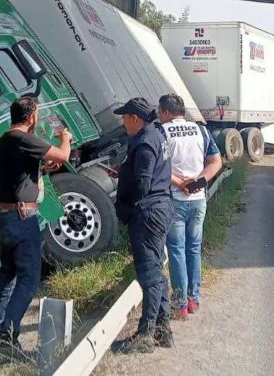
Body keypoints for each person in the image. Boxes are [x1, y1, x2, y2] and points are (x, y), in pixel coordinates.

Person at [0, 95, 72, 357]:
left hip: (6, 216)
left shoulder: (5, 140)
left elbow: (21, 176)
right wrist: (65, 138)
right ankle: (6, 335)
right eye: (36, 115)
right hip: (23, 218)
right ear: (31, 117)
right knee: (29, 278)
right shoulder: (24, 139)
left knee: (9, 277)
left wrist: (43, 170)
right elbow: (64, 155)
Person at [111, 97, 175, 354]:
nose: (123, 122)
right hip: (160, 207)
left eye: (125, 117)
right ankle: (163, 329)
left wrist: (126, 208)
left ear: (135, 118)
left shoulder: (146, 142)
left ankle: (145, 333)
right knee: (156, 272)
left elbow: (143, 184)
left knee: (148, 275)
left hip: (148, 212)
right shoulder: (155, 134)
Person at [157, 94, 222, 319]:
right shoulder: (201, 130)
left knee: (176, 250)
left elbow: (158, 166)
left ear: (164, 111)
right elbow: (216, 161)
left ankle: (180, 303)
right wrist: (198, 182)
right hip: (198, 200)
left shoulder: (162, 132)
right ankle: (194, 299)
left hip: (174, 198)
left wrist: (179, 183)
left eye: (159, 111)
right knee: (194, 248)